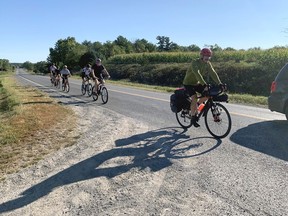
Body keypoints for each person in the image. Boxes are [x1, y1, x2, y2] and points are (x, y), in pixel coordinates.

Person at [183, 48, 223, 127]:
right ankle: (193, 117)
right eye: (205, 56)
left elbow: (213, 73)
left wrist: (219, 83)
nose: (207, 57)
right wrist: (204, 84)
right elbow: (197, 73)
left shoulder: (208, 63)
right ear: (201, 55)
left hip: (197, 83)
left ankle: (196, 105)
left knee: (208, 94)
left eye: (209, 56)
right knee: (194, 98)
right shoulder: (195, 62)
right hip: (188, 83)